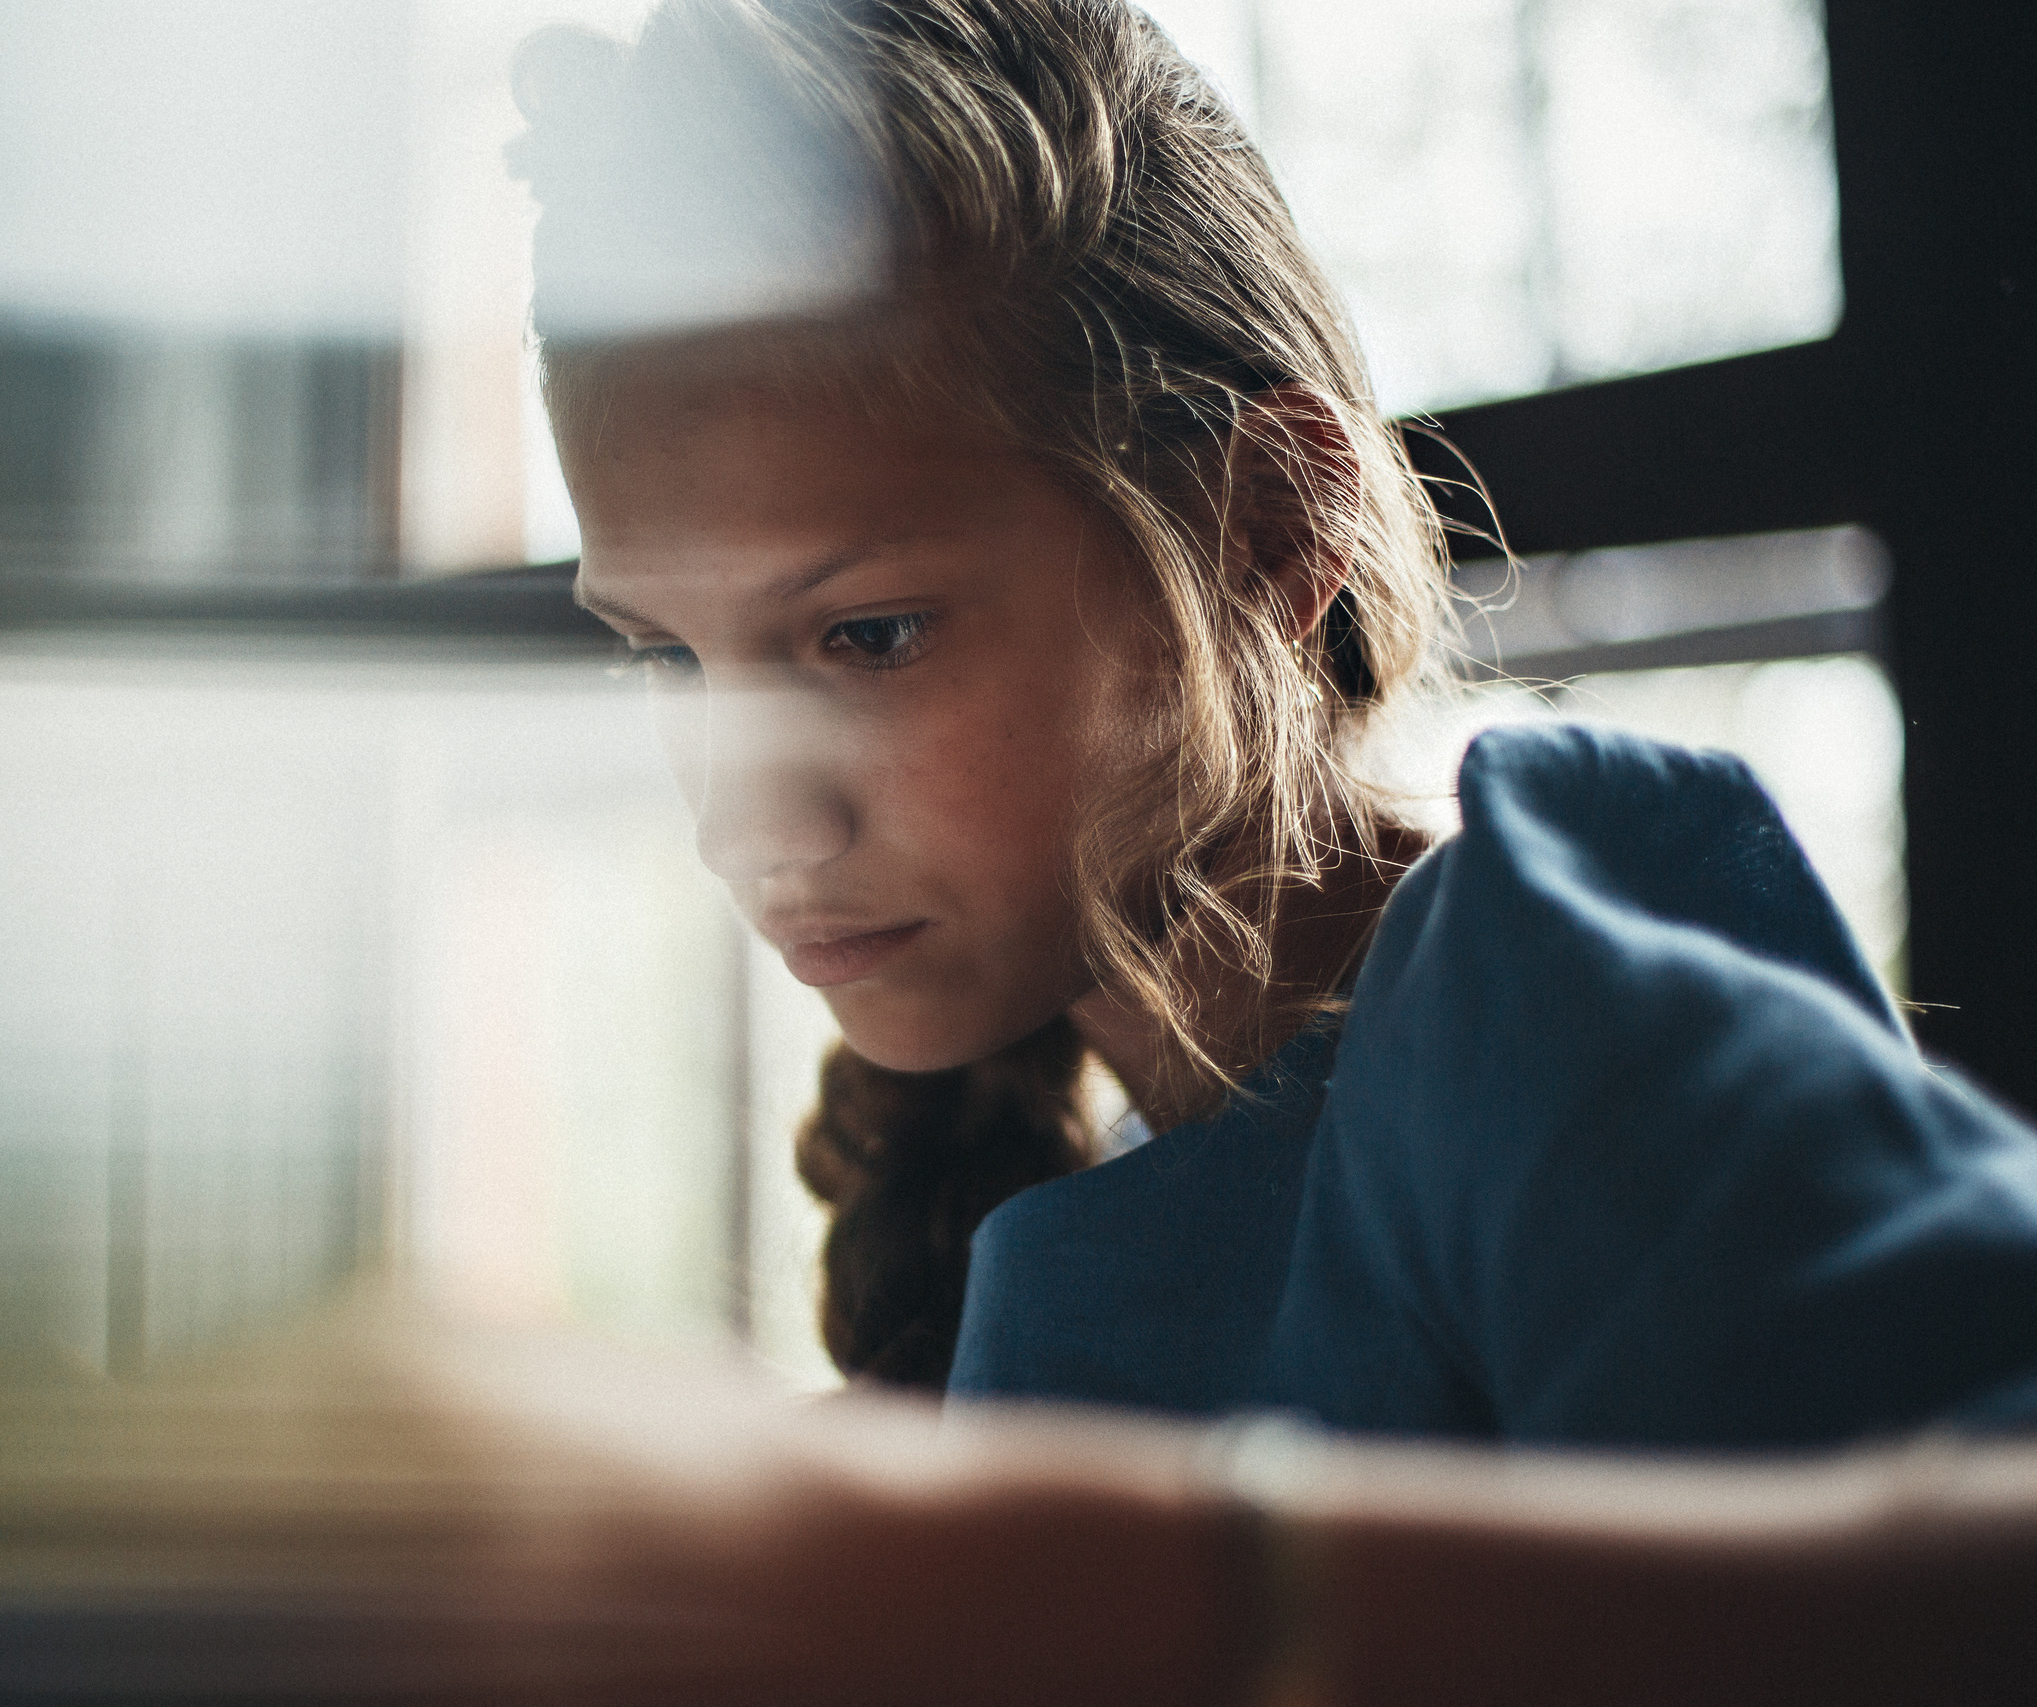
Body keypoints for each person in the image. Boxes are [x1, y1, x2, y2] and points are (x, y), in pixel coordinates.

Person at [511, 0, 2037, 1446]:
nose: (745, 825)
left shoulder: (1533, 1000)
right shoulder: (1085, 1220)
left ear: (1272, 527)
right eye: (667, 661)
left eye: (871, 635)